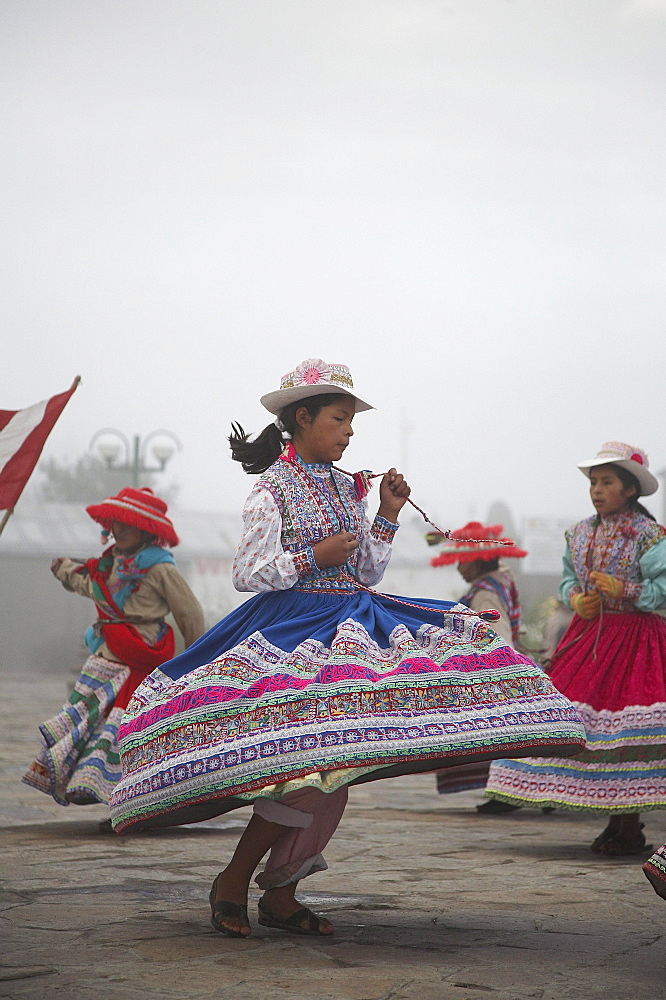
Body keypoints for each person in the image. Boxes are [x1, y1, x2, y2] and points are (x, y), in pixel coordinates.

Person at [109, 358, 586, 938]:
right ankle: (237, 877)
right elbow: (248, 572)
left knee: (339, 762)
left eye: (350, 420)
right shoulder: (271, 489)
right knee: (303, 767)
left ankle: (279, 888)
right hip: (290, 632)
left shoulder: (346, 487)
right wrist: (312, 557)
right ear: (303, 419)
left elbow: (366, 568)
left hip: (348, 624)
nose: (350, 430)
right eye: (340, 419)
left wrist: (384, 514)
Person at [481, 442, 666, 855]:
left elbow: (664, 588)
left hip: (636, 640)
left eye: (607, 482)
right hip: (589, 639)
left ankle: (627, 823)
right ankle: (619, 822)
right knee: (581, 724)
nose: (597, 490)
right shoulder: (579, 532)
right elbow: (568, 579)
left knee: (624, 729)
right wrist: (576, 598)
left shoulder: (651, 536)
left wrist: (627, 590)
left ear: (631, 488)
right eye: (594, 482)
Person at [23, 486, 206, 808]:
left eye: (127, 525)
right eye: (115, 524)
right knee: (88, 721)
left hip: (140, 656)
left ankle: (121, 794)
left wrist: (196, 661)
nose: (116, 530)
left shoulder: (161, 568)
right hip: (104, 656)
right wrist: (64, 570)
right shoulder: (109, 565)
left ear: (146, 531)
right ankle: (83, 781)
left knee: (122, 729)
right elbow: (89, 586)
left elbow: (189, 613)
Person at [427, 521, 532, 801]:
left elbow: (498, 636)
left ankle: (509, 791)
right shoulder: (498, 584)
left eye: (462, 561)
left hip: (496, 669)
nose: (459, 567)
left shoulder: (485, 595)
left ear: (476, 562)